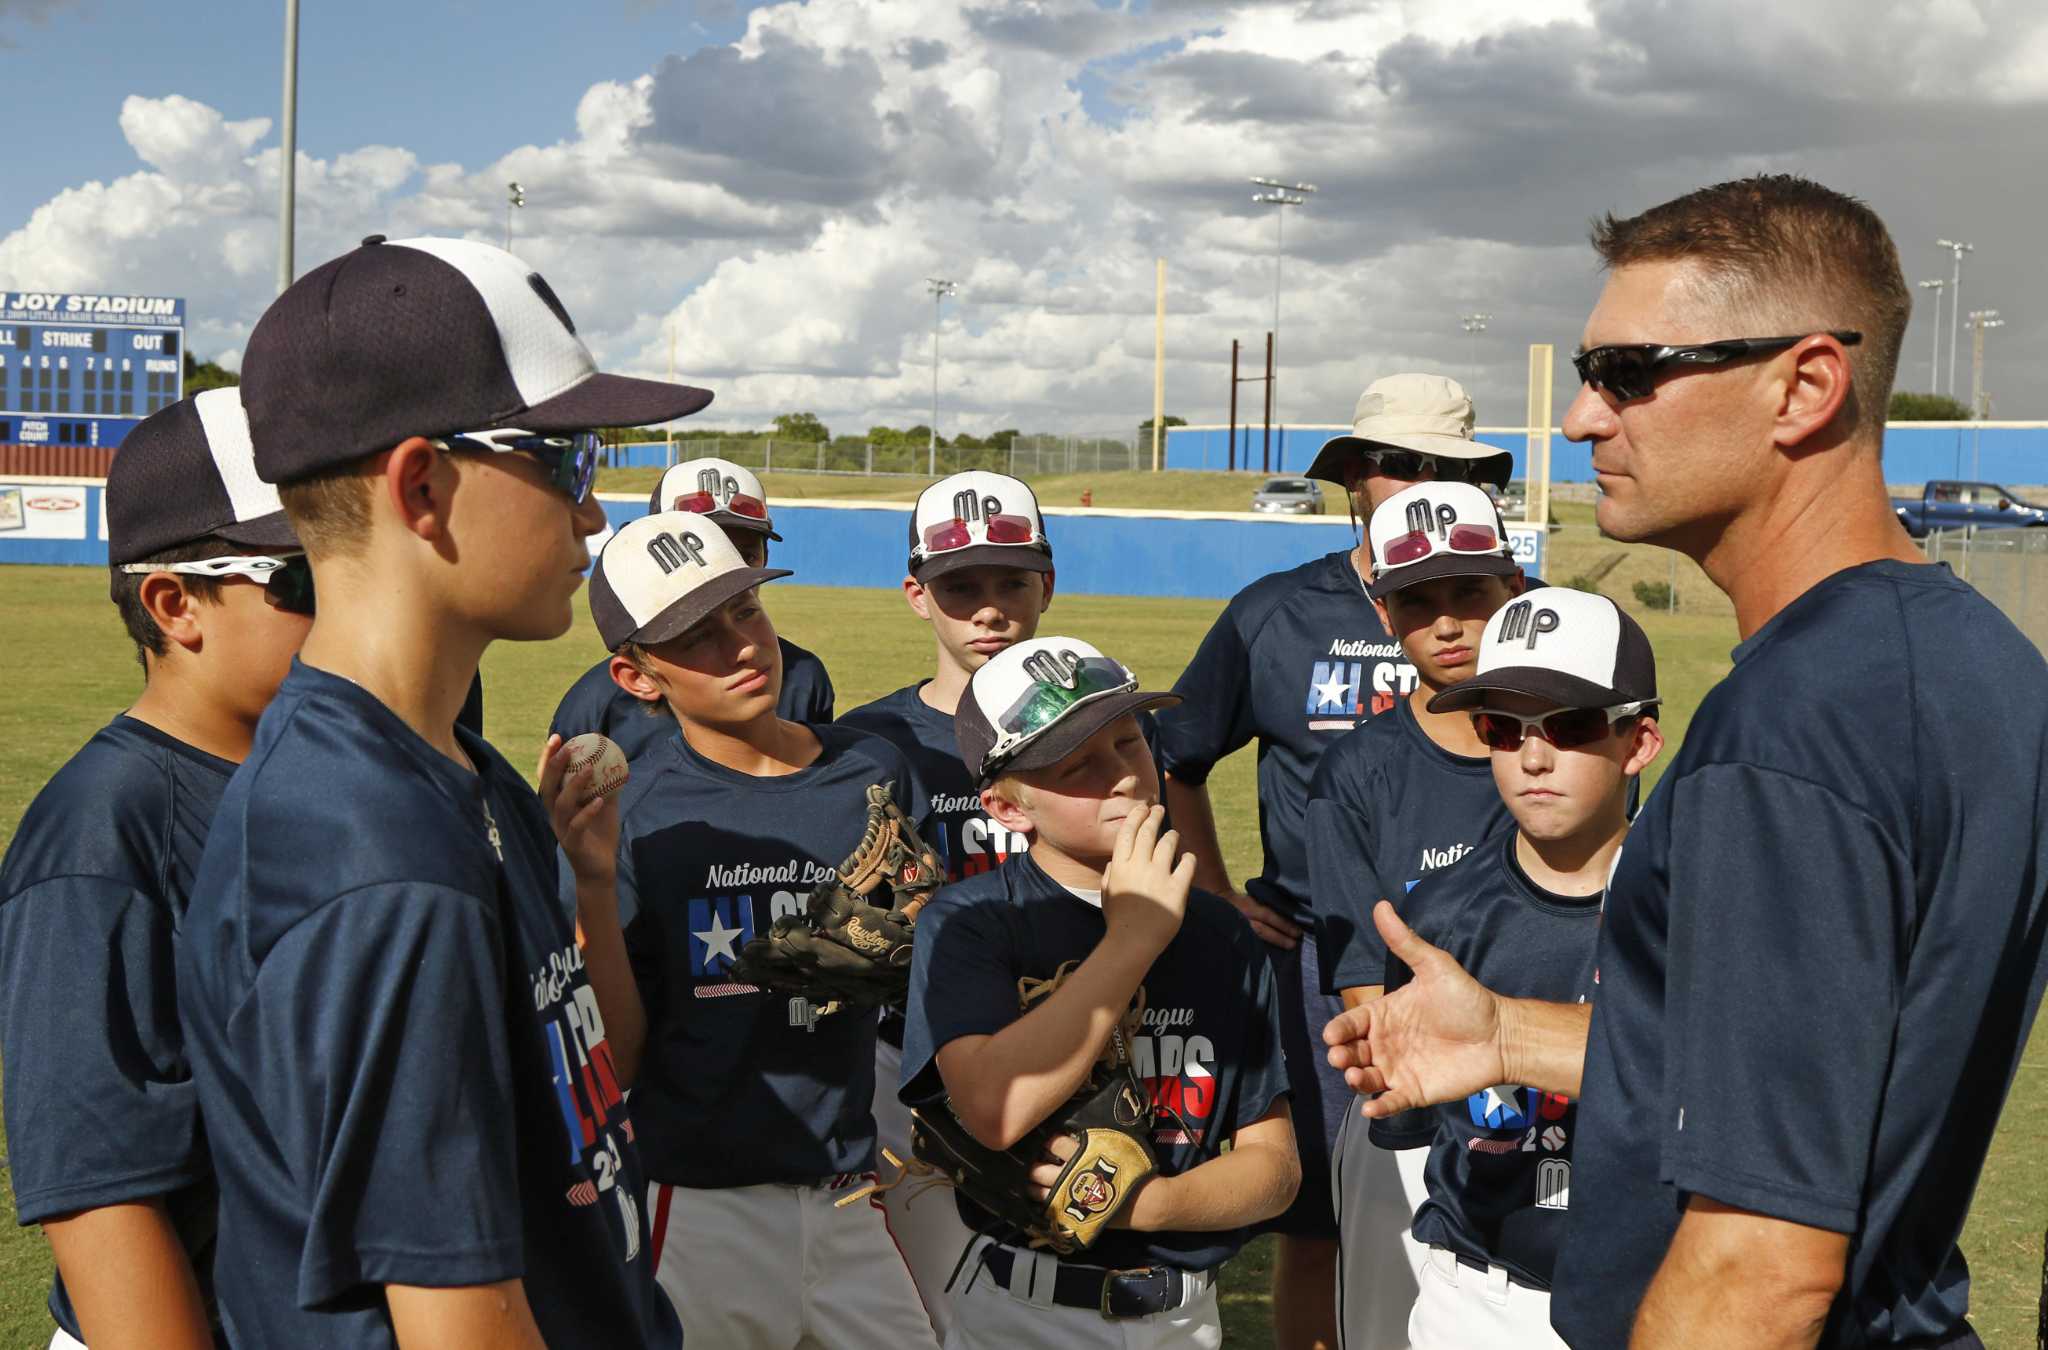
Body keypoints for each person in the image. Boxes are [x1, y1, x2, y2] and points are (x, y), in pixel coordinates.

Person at [1325, 175, 2048, 1348]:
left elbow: (1755, 1271)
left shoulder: (1790, 727)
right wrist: (1512, 1034)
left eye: (1628, 372)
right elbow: (1810, 1063)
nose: (1577, 418)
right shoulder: (1973, 658)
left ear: (1803, 385)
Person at [177, 235, 691, 1348]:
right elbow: (457, 1323)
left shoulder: (450, 770)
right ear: (420, 484)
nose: (592, 514)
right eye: (570, 460)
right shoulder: (376, 859)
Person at [1152, 374, 1511, 1346]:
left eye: (1446, 467)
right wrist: (1218, 893)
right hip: (1325, 962)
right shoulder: (1276, 611)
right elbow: (1175, 754)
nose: (1416, 480)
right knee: (1320, 1224)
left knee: (1508, 1204)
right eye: (1395, 461)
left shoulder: (1520, 611)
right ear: (1351, 476)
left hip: (1503, 959)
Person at [0, 390, 312, 1350]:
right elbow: (100, 1193)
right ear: (175, 604)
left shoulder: (330, 771)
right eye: (304, 576)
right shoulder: (101, 830)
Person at [586, 510, 938, 1349]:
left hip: (849, 1191)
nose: (741, 646)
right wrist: (591, 887)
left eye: (745, 611)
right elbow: (620, 1054)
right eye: (696, 636)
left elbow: (917, 957)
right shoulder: (637, 812)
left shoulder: (871, 768)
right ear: (636, 677)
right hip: (701, 1207)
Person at [901, 636, 1300, 1347]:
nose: (1120, 776)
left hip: (1185, 1319)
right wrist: (1133, 938)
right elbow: (994, 1111)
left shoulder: (1218, 931)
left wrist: (1150, 1203)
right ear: (1006, 806)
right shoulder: (970, 921)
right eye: (1076, 765)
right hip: (1022, 1312)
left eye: (1129, 743)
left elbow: (1274, 1171)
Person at [1398, 587, 1661, 1345]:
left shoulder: (1701, 912)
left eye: (1570, 725)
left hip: (1651, 1299)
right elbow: (1419, 1143)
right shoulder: (1437, 917)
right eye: (1502, 728)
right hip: (1478, 1301)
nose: (1532, 757)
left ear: (1639, 743)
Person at [1304, 480, 1526, 1348]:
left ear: (1512, 584)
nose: (1447, 622)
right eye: (1417, 600)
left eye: (1468, 592)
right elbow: (1363, 979)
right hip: (1412, 1101)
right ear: (1382, 611)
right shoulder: (1355, 773)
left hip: (1562, 1095)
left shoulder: (1573, 747)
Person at [836, 469, 1057, 1333]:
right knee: (917, 1306)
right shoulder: (867, 742)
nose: (990, 608)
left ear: (1048, 582)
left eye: (1012, 580)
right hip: (907, 1060)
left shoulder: (1102, 723)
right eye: (961, 585)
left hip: (1067, 1040)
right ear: (917, 595)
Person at [550, 456, 834, 756]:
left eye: (744, 556)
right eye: (700, 549)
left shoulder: (803, 676)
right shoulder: (597, 702)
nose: (723, 572)